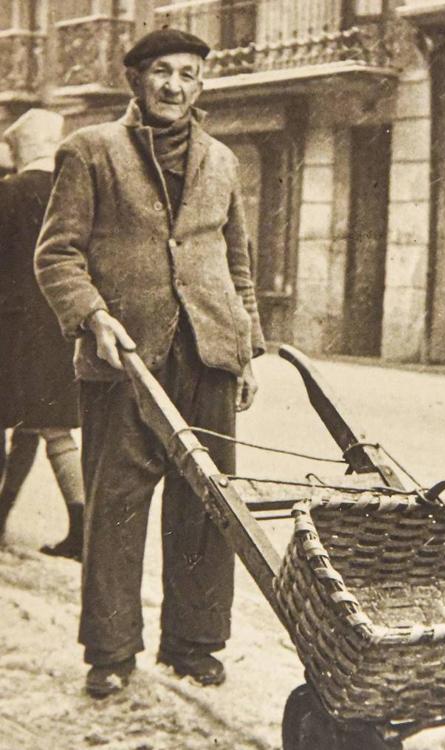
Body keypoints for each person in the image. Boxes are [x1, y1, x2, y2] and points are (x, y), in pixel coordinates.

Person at [35, 28, 265, 698]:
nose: (174, 85)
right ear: (136, 79)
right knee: (118, 506)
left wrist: (245, 346)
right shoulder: (90, 151)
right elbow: (57, 254)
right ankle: (110, 651)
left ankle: (193, 643)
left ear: (201, 84)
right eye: (161, 71)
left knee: (209, 505)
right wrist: (91, 315)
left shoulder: (221, 160)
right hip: (123, 356)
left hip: (208, 353)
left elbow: (238, 261)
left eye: (189, 74)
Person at [0, 109, 84, 561]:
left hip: (10, 328)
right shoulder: (71, 190)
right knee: (51, 429)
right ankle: (83, 526)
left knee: (7, 422)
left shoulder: (9, 193)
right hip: (61, 325)